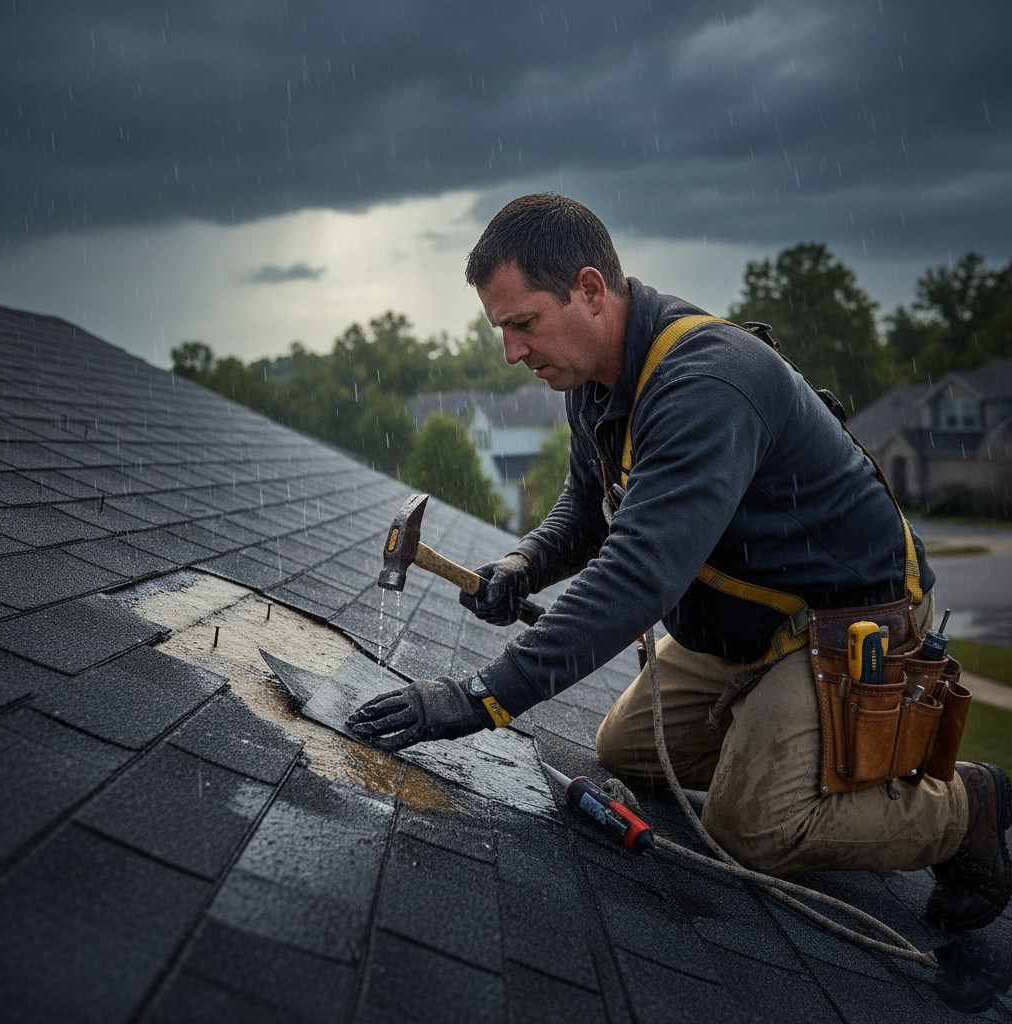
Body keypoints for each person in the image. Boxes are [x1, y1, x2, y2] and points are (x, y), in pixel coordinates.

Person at [347, 193, 1010, 932]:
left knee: (749, 825)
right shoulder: (594, 379)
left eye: (523, 323)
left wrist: (480, 696)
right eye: (502, 329)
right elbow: (589, 502)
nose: (512, 351)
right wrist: (526, 561)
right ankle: (781, 735)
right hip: (746, 629)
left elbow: (637, 576)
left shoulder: (705, 384)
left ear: (591, 290)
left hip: (841, 623)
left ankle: (965, 807)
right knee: (625, 750)